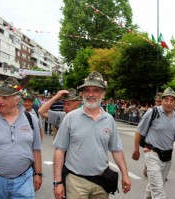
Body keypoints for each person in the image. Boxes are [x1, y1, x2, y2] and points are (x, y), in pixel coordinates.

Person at [52, 71, 131, 199]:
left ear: (103, 93)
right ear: (82, 94)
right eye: (87, 90)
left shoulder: (109, 120)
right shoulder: (70, 118)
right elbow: (60, 151)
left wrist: (125, 175)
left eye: (96, 90)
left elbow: (116, 150)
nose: (90, 94)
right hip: (76, 182)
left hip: (101, 182)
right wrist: (57, 182)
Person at [132, 87, 175, 199]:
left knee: (155, 186)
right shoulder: (153, 112)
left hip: (167, 156)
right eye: (166, 100)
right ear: (162, 100)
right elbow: (139, 132)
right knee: (158, 191)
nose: (168, 103)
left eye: (172, 100)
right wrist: (136, 150)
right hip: (152, 154)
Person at [143, 92, 163, 177]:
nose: (158, 103)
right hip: (152, 139)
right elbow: (144, 127)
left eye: (160, 101)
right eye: (157, 101)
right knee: (152, 156)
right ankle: (148, 169)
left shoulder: (167, 112)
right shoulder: (152, 112)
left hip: (162, 139)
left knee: (162, 156)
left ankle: (159, 172)